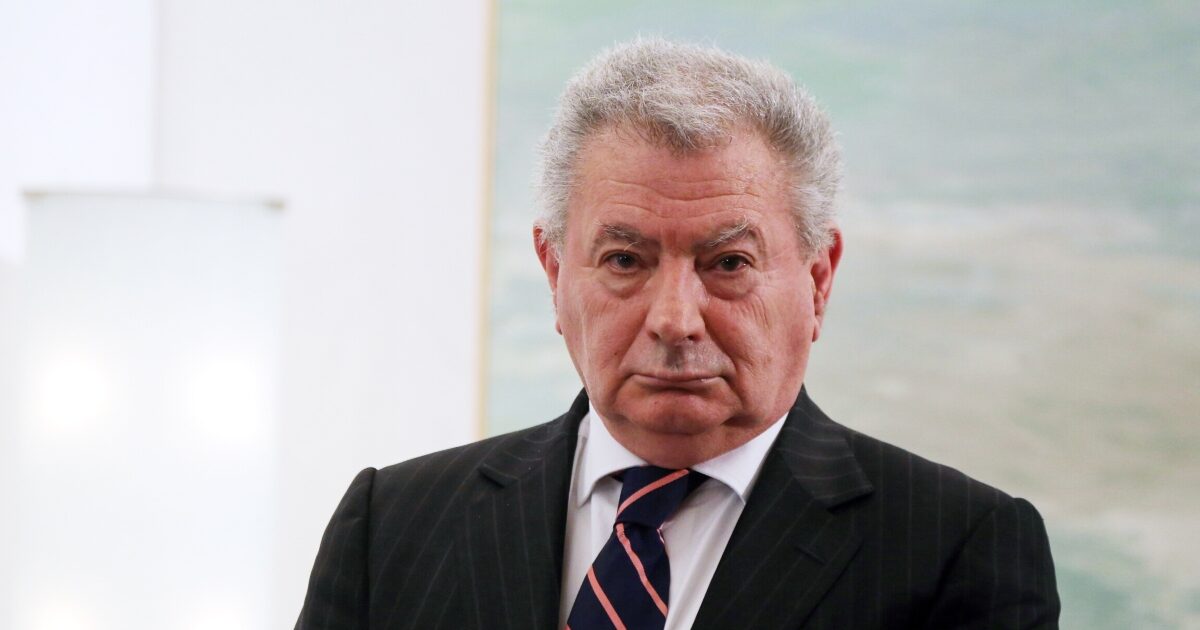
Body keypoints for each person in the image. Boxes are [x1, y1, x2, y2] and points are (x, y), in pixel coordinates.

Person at [296, 39, 1060, 629]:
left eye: (728, 263)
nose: (674, 319)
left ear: (819, 278)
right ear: (554, 271)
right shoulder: (391, 525)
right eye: (625, 260)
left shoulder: (959, 550)